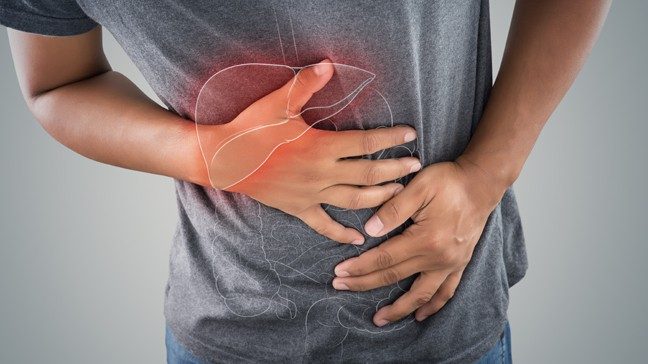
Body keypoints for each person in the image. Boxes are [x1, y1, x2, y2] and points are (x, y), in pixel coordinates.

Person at [0, 0, 610, 362]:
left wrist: (485, 176)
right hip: (228, 329)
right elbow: (57, 85)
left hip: (445, 330)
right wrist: (205, 154)